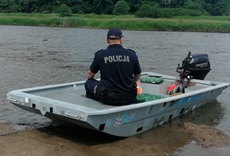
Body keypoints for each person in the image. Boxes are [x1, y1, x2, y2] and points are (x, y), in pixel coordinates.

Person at [84, 28, 142, 106]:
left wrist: (89, 79)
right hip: (128, 97)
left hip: (108, 98)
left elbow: (90, 74)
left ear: (107, 40)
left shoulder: (100, 55)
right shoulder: (132, 55)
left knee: (89, 82)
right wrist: (133, 82)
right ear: (121, 39)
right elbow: (138, 74)